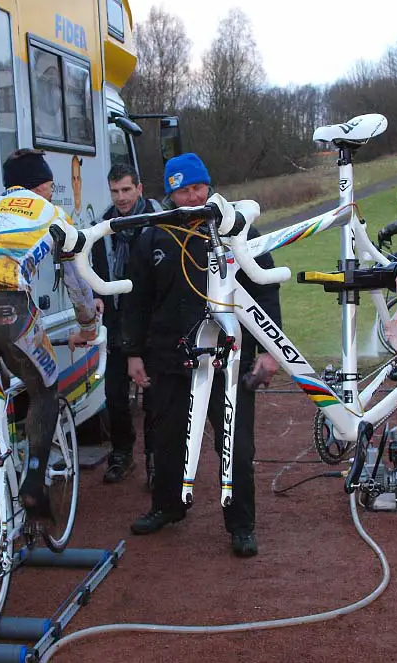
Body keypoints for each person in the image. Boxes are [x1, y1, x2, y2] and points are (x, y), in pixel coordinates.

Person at [122, 152, 281, 557]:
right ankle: (167, 506)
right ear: (170, 193)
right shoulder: (152, 235)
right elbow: (136, 300)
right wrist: (133, 353)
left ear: (208, 185)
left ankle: (241, 524)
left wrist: (269, 351)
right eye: (182, 190)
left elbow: (265, 291)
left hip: (228, 357)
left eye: (197, 187)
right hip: (169, 356)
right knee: (166, 438)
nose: (192, 196)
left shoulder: (237, 230)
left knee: (235, 445)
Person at [0, 148, 98, 520]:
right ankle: (32, 484)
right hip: (8, 308)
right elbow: (77, 280)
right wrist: (88, 325)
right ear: (44, 185)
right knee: (43, 390)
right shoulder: (53, 213)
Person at [91, 163, 162, 486]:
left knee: (155, 395)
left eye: (126, 190)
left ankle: (156, 458)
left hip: (154, 322)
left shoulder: (161, 221)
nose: (121, 198)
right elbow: (95, 269)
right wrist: (96, 294)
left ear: (140, 189)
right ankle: (123, 454)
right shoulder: (103, 225)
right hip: (118, 320)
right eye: (115, 191)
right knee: (115, 395)